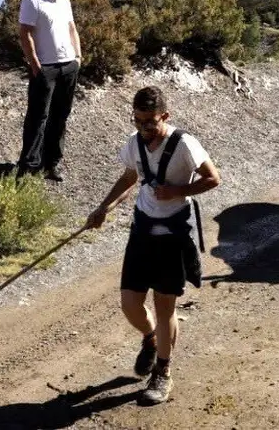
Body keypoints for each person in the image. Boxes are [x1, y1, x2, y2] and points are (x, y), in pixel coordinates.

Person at [85, 86, 221, 405]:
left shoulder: (184, 144)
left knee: (164, 307)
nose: (143, 127)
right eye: (138, 120)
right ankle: (150, 338)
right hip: (142, 230)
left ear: (165, 116)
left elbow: (213, 178)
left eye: (150, 121)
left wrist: (177, 191)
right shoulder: (134, 142)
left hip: (174, 235)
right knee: (130, 303)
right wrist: (103, 208)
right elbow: (130, 177)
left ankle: (163, 372)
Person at [16, 0, 81, 181]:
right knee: (38, 117)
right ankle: (28, 165)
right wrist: (35, 65)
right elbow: (25, 33)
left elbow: (72, 28)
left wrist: (78, 57)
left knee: (60, 116)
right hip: (46, 68)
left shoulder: (64, 0)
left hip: (69, 65)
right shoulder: (32, 1)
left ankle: (51, 163)